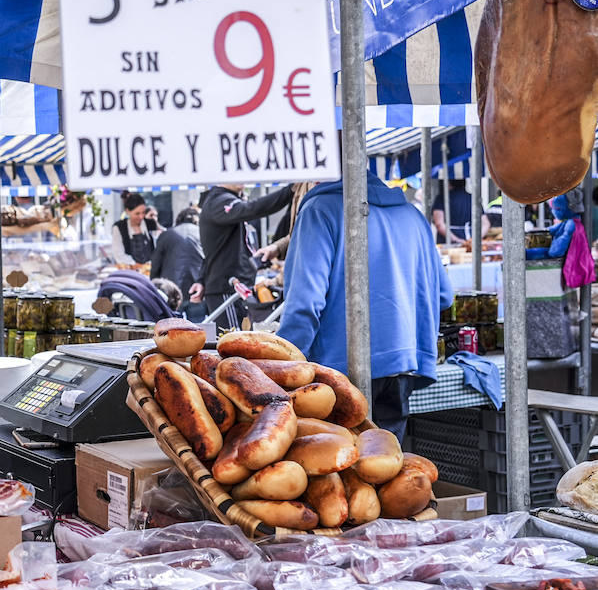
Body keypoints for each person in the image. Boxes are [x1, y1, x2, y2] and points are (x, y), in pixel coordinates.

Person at [278, 172, 452, 440]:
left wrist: (282, 368)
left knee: (342, 471)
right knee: (386, 467)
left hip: (336, 372)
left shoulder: (319, 211)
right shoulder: (412, 215)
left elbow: (304, 304)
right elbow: (444, 297)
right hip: (401, 366)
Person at [193, 183, 294, 330]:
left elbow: (214, 247)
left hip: (235, 286)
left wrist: (201, 279)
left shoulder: (223, 200)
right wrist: (290, 190)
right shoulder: (218, 201)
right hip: (226, 288)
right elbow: (253, 208)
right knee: (232, 343)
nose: (241, 179)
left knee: (241, 342)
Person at [150, 206, 204, 321]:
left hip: (171, 290)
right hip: (196, 288)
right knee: (198, 328)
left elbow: (155, 264)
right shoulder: (203, 234)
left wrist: (153, 285)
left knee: (172, 328)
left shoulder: (166, 234)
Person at [432, 179, 490, 244]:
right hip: (470, 241)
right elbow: (486, 224)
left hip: (447, 242)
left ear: (449, 183)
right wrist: (473, 239)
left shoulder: (441, 198)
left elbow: (439, 224)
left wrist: (456, 240)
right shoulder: (472, 198)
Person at [110, 192, 162, 265]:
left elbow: (159, 246)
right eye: (137, 213)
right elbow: (118, 254)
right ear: (127, 211)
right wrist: (135, 265)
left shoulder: (150, 224)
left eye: (143, 212)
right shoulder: (119, 228)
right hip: (129, 272)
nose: (141, 217)